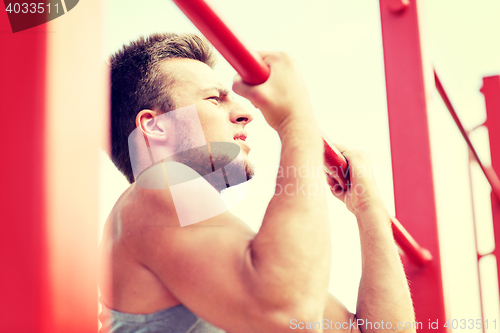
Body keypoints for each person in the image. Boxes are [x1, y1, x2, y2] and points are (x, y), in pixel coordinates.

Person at [98, 32, 415, 333]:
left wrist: (368, 206)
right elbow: (290, 314)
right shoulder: (153, 190)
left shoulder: (206, 235)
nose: (244, 112)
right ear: (153, 126)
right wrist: (296, 118)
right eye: (215, 99)